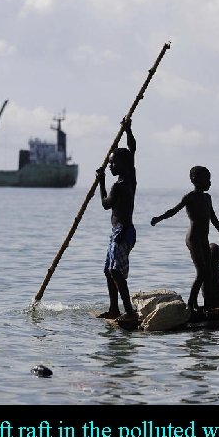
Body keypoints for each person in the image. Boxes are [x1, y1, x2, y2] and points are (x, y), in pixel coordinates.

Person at [150, 166, 219, 314]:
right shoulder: (190, 197)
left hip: (203, 240)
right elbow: (173, 211)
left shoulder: (207, 198)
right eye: (207, 179)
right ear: (195, 180)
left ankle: (208, 305)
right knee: (201, 272)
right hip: (193, 239)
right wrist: (159, 218)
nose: (210, 183)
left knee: (207, 273)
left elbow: (213, 218)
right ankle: (190, 304)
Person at [96, 118, 138, 329]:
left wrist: (101, 182)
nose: (110, 165)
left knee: (116, 272)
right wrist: (128, 131)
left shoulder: (120, 185)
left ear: (123, 165)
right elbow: (132, 149)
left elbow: (105, 205)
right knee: (108, 270)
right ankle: (114, 308)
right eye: (110, 162)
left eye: (113, 163)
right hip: (118, 232)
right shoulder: (131, 177)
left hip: (123, 232)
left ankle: (129, 311)